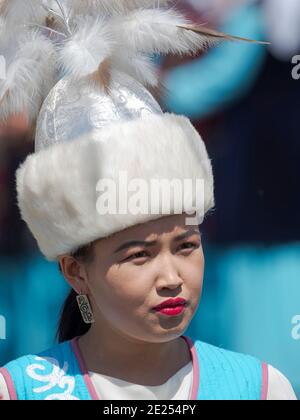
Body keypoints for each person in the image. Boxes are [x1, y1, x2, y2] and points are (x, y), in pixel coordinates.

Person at [0, 0, 296, 400]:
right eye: (140, 254)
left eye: (187, 246)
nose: (172, 277)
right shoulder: (18, 390)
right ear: (75, 272)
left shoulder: (259, 387)